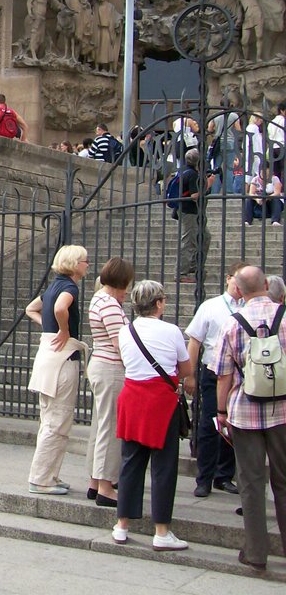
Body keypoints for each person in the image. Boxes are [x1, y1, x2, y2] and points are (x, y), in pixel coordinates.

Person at [111, 280, 193, 551]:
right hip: (160, 401)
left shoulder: (126, 331)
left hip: (132, 397)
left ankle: (122, 525)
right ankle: (161, 530)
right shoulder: (171, 331)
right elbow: (185, 368)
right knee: (163, 466)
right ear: (158, 303)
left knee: (130, 462)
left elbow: (125, 360)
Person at [214, 265, 286, 571]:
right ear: (267, 284)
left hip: (245, 412)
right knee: (283, 481)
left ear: (239, 291)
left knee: (251, 483)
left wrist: (221, 412)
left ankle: (256, 552)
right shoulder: (285, 316)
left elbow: (223, 376)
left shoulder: (233, 324)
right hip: (283, 410)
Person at [25, 245, 91, 495]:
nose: (87, 264)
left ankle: (49, 474)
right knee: (58, 421)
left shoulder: (54, 285)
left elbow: (31, 309)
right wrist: (63, 330)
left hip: (47, 358)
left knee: (50, 419)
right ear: (75, 264)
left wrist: (49, 329)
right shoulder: (69, 287)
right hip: (62, 361)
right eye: (85, 261)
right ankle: (41, 479)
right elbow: (60, 308)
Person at [183, 261, 246, 498]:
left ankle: (224, 475)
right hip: (214, 371)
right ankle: (204, 478)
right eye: (236, 279)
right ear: (228, 278)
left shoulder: (249, 307)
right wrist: (190, 375)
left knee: (234, 425)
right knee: (210, 425)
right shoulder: (210, 307)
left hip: (240, 374)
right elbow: (195, 340)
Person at [85, 257, 134, 507]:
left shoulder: (100, 299)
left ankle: (95, 481)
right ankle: (105, 485)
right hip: (111, 367)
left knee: (100, 424)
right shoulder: (111, 304)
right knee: (110, 426)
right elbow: (120, 345)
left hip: (101, 364)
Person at [177, 148, 212, 284]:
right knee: (189, 241)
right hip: (189, 212)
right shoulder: (191, 174)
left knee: (205, 237)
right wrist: (208, 186)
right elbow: (194, 196)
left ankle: (194, 265)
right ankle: (181, 272)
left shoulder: (185, 171)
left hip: (194, 212)